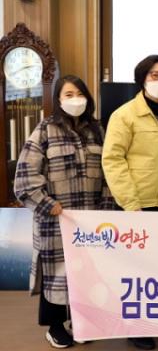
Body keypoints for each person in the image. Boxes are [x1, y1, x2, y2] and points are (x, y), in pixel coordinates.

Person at [14, 75, 116, 349]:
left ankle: (82, 323)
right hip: (56, 220)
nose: (75, 100)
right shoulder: (44, 131)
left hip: (91, 222)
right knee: (57, 274)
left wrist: (105, 210)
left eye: (79, 94)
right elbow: (24, 179)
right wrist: (49, 205)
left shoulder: (98, 131)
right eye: (68, 95)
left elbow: (110, 174)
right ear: (58, 100)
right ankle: (55, 327)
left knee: (89, 275)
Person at [102, 55, 158, 350]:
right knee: (135, 270)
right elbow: (112, 160)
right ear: (142, 79)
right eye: (154, 75)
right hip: (135, 205)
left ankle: (157, 318)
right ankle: (135, 327)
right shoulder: (124, 115)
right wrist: (130, 203)